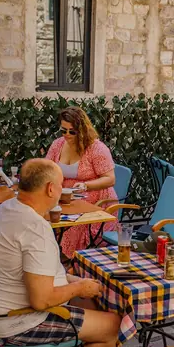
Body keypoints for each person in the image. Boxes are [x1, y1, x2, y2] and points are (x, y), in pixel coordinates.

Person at [0, 159, 121, 347]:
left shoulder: (7, 208)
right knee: (114, 328)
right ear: (51, 189)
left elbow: (30, 273)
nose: (63, 189)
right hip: (17, 323)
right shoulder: (35, 229)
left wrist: (72, 281)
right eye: (62, 184)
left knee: (93, 306)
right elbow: (41, 300)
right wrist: (80, 288)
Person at [45, 106, 117, 257]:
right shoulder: (58, 144)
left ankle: (69, 262)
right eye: (63, 130)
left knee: (71, 226)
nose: (67, 135)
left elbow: (110, 179)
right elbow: (47, 168)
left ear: (82, 130)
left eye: (72, 131)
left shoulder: (96, 148)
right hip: (65, 199)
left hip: (95, 200)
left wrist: (85, 185)